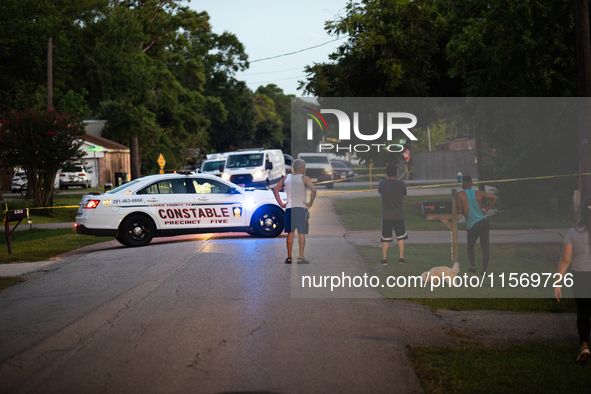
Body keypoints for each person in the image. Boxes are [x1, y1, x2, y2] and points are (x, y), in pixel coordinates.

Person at [555, 196, 591, 364]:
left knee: (583, 312)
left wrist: (558, 281)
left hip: (581, 277)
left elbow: (565, 259)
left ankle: (584, 346)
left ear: (582, 211)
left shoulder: (573, 232)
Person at [273, 159, 316, 264]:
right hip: (301, 209)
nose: (305, 168)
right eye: (304, 166)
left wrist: (281, 204)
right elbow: (314, 190)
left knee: (290, 233)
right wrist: (310, 203)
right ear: (300, 168)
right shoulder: (304, 178)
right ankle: (301, 258)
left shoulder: (286, 178)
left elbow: (275, 190)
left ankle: (289, 257)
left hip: (289, 209)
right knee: (301, 233)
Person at [456, 175, 498, 275]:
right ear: (472, 183)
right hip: (483, 222)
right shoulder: (479, 193)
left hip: (472, 225)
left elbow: (460, 210)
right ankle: (484, 270)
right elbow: (495, 198)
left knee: (470, 246)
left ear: (462, 184)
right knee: (485, 247)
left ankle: (473, 267)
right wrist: (486, 209)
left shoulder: (460, 194)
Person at [378, 164, 408, 265]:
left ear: (386, 173)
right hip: (399, 215)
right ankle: (401, 258)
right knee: (401, 236)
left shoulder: (381, 184)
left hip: (386, 215)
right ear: (396, 173)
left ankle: (384, 259)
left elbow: (381, 193)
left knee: (385, 238)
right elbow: (404, 196)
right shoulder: (401, 184)